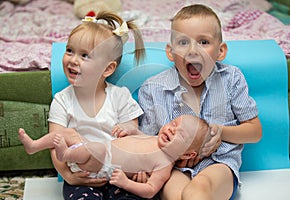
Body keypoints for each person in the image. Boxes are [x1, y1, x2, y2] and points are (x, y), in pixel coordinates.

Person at [138, 4, 262, 200]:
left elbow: (255, 132)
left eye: (203, 42)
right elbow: (146, 139)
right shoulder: (153, 88)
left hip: (219, 163)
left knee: (198, 190)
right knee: (176, 195)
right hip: (173, 168)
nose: (193, 51)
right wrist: (164, 146)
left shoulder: (231, 79)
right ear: (170, 52)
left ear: (220, 51)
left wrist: (220, 132)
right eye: (183, 42)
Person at [46, 11, 146, 200]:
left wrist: (137, 169)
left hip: (121, 175)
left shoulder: (120, 97)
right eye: (69, 51)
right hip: (83, 178)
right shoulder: (62, 100)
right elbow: (54, 143)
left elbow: (133, 138)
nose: (73, 60)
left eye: (85, 55)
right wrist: (69, 176)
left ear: (107, 69)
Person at [19, 115, 211, 199]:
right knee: (68, 133)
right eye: (173, 123)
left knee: (97, 149)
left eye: (181, 134)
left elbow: (151, 190)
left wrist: (126, 184)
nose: (172, 129)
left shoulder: (164, 163)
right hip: (93, 150)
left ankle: (65, 153)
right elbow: (135, 135)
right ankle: (35, 145)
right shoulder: (152, 137)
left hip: (101, 166)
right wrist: (128, 129)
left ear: (187, 154)